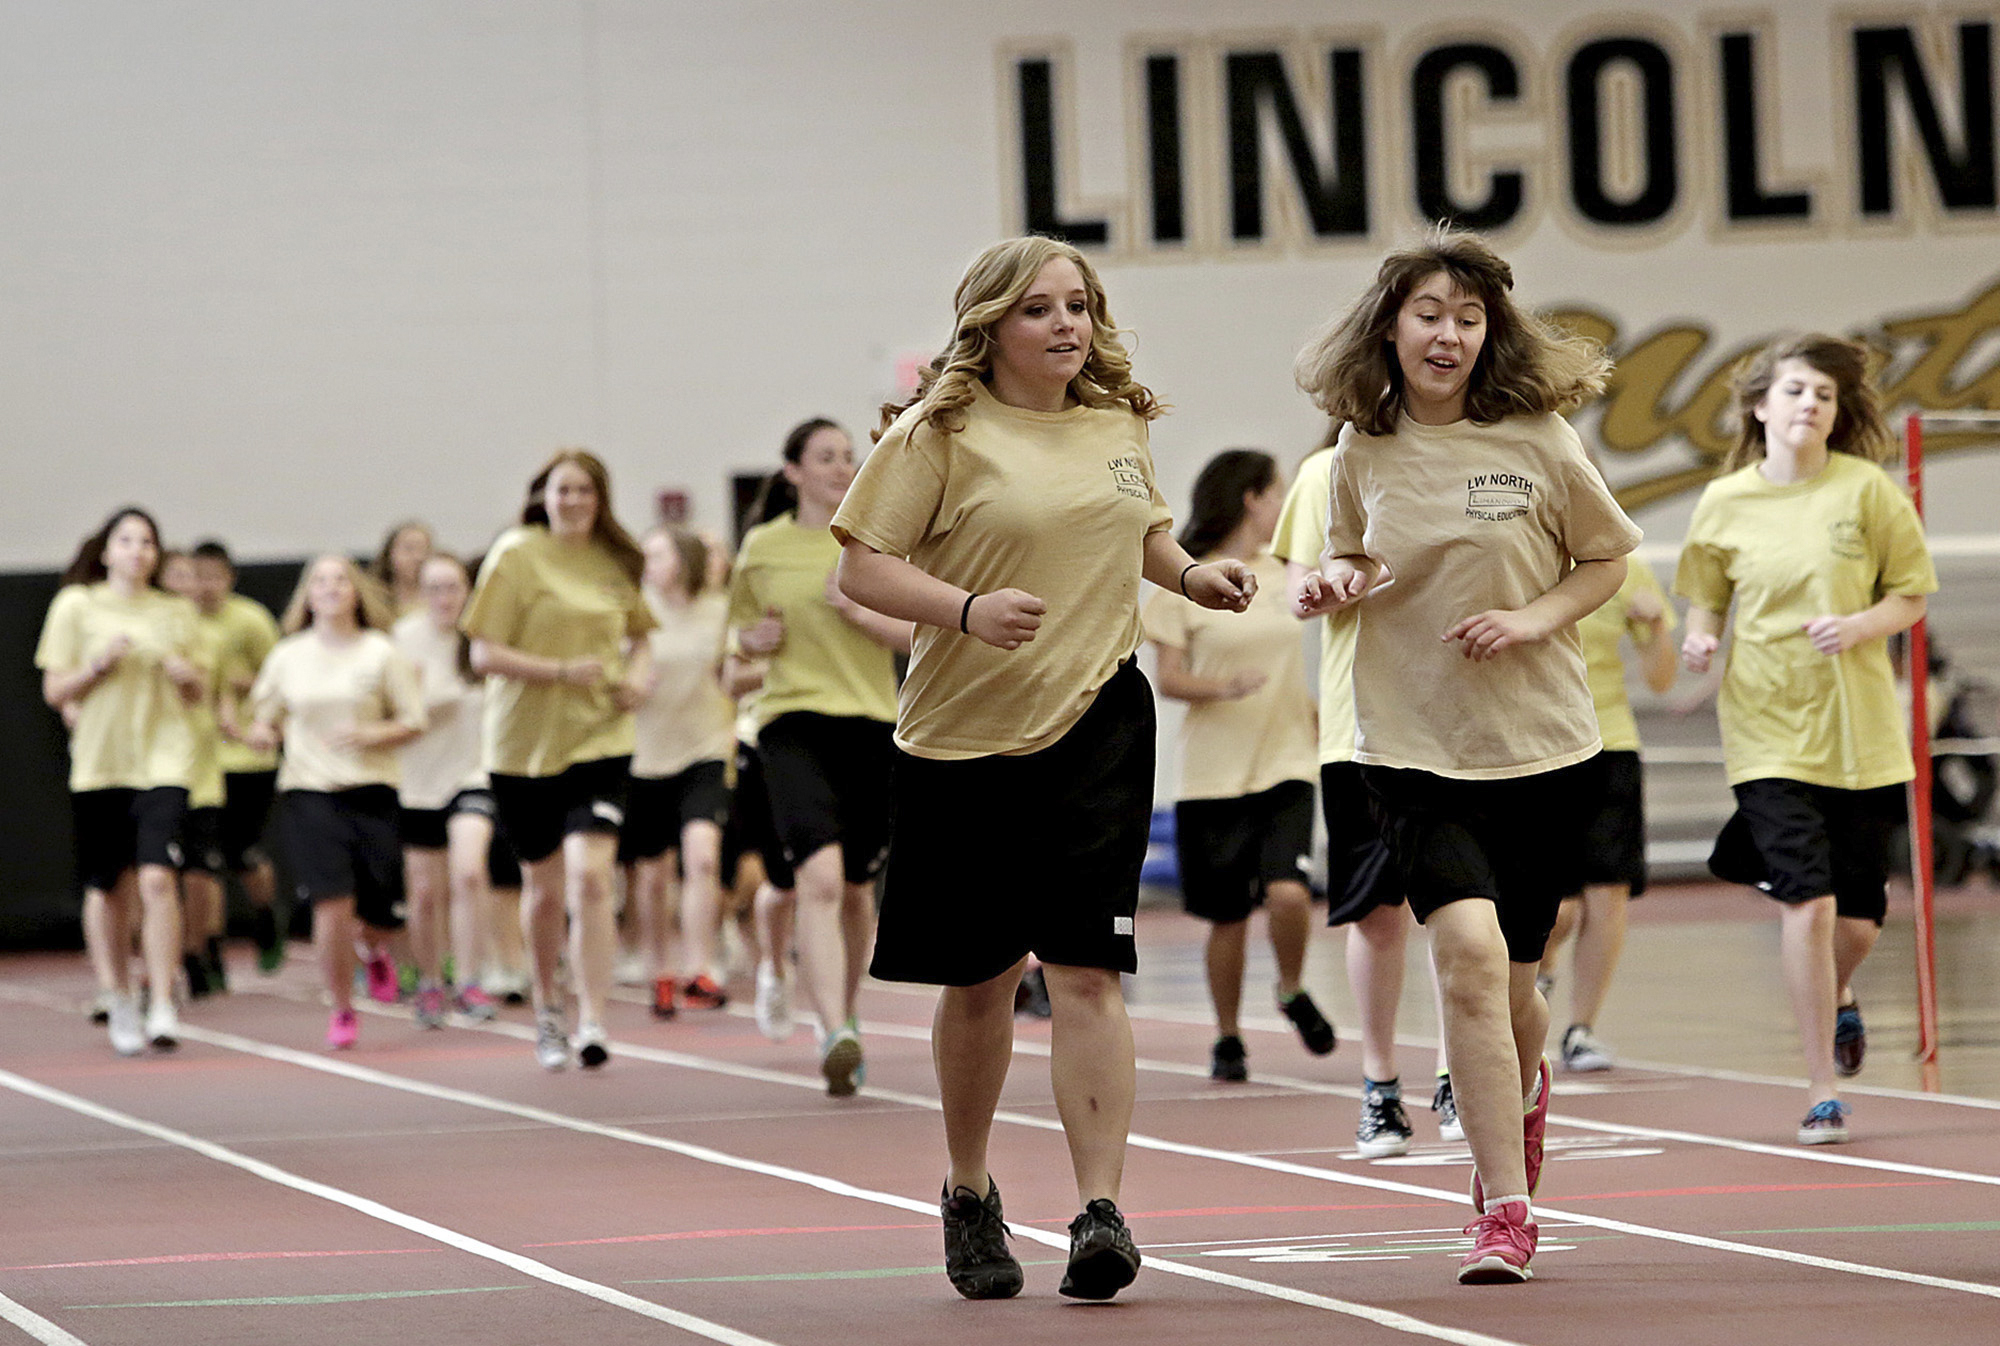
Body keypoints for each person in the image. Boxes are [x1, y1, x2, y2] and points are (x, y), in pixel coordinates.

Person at [834, 235, 1254, 1303]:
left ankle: (1098, 1209)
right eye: (1038, 310)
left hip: (1096, 715)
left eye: (1079, 305)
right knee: (978, 980)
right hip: (959, 737)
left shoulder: (1115, 422)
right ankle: (969, 1189)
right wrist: (966, 610)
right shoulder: (940, 431)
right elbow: (863, 565)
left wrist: (1193, 575)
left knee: (1084, 969)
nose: (1065, 325)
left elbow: (1140, 532)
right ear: (990, 325)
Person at [1294, 227, 1640, 1284]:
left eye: (1467, 316)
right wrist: (1329, 581)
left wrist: (1534, 618)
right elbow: (1350, 553)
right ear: (1389, 327)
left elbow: (1606, 556)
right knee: (1470, 957)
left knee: (1517, 980)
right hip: (1405, 745)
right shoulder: (1359, 448)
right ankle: (1502, 1205)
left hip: (1537, 746)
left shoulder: (1537, 439)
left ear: (1489, 333)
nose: (1446, 334)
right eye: (1427, 314)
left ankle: (1520, 1092)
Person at [1675, 333, 1935, 1145]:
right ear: (1760, 406)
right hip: (1766, 729)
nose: (1809, 405)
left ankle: (1841, 994)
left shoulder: (1869, 492)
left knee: (1857, 922)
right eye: (1793, 392)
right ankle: (1821, 1085)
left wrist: (1860, 623)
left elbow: (1913, 596)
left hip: (1860, 734)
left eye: (1823, 395)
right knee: (1809, 904)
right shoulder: (1726, 504)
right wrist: (1701, 640)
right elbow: (1705, 597)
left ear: (1837, 411)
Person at [1273, 429, 1459, 1157]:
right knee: (1377, 915)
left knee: (1460, 907)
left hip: (1459, 723)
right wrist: (1319, 588)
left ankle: (1456, 1072)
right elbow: (1296, 592)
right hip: (1360, 728)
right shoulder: (1325, 470)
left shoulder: (1469, 460)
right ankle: (1380, 1085)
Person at [726, 418, 910, 1094]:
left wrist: (858, 611)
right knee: (822, 879)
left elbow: (923, 636)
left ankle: (848, 1012)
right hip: (792, 722)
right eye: (824, 458)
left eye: (847, 457)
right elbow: (735, 650)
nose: (840, 467)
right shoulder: (763, 548)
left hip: (871, 722)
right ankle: (832, 1025)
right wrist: (755, 641)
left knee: (859, 890)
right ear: (793, 472)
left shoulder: (878, 542)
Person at [1143, 448, 1334, 1084]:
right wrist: (1221, 687)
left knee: (1287, 891)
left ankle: (1290, 987)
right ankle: (1227, 1036)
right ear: (1252, 498)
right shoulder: (1185, 579)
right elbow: (1167, 679)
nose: (1282, 504)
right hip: (1213, 772)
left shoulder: (1285, 572)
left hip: (1287, 760)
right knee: (1226, 918)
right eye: (1276, 492)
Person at [462, 450, 655, 1071]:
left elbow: (643, 637)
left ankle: (594, 1016)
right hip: (522, 749)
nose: (571, 500)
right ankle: (548, 1006)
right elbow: (483, 655)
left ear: (600, 500)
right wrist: (562, 672)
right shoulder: (516, 554)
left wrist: (640, 680)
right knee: (544, 891)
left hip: (600, 740)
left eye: (583, 491)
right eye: (561, 490)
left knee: (591, 876)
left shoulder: (613, 563)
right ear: (543, 496)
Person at [36, 507, 206, 1054]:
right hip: (101, 764)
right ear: (106, 551)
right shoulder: (76, 606)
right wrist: (97, 666)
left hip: (163, 760)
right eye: (126, 540)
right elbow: (55, 690)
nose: (138, 550)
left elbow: (201, 688)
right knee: (108, 887)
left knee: (158, 879)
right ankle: (118, 993)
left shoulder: (176, 611)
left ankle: (161, 999)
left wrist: (186, 675)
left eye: (148, 542)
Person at [243, 555, 426, 1048]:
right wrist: (262, 732)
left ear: (357, 591)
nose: (330, 588)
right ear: (307, 595)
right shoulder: (288, 655)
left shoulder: (381, 653)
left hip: (373, 789)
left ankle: (375, 947)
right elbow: (265, 715)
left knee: (380, 908)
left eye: (340, 579)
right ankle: (342, 1008)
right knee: (331, 902)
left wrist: (369, 733)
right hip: (309, 792)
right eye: (319, 581)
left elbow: (414, 720)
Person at [1540, 551, 1678, 1071]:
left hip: (1609, 743)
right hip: (1539, 744)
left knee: (1608, 891)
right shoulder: (1525, 557)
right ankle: (1541, 969)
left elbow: (1662, 679)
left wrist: (1657, 626)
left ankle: (1581, 1029)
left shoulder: (1625, 569)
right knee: (1559, 910)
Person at [622, 524, 736, 1018]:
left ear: (684, 560)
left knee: (703, 858)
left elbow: (734, 673)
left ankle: (700, 967)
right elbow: (613, 675)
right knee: (652, 877)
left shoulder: (719, 610)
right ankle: (659, 969)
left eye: (659, 554)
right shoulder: (635, 610)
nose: (649, 563)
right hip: (645, 755)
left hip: (705, 749)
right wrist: (628, 684)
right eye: (645, 555)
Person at [393, 552, 503, 1027]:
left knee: (469, 872)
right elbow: (387, 712)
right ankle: (431, 981)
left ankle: (472, 979)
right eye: (434, 588)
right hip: (416, 782)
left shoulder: (483, 635)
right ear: (421, 593)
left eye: (453, 587)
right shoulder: (400, 642)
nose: (445, 598)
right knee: (423, 893)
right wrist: (420, 705)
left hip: (472, 774)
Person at [190, 540, 287, 973]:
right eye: (198, 576)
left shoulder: (250, 620)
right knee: (204, 861)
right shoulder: (181, 622)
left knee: (242, 852)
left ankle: (267, 917)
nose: (206, 586)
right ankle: (209, 950)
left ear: (229, 578)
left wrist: (241, 686)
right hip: (197, 759)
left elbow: (280, 678)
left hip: (248, 757)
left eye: (215, 576)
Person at [159, 548, 230, 999]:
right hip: (155, 768)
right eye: (178, 575)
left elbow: (215, 694)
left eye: (193, 575)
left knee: (201, 875)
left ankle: (196, 949)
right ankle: (154, 966)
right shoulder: (145, 629)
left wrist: (240, 726)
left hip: (202, 769)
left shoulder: (209, 636)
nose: (188, 583)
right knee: (155, 876)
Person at [371, 521, 435, 619]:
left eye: (425, 549)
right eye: (409, 549)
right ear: (389, 555)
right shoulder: (374, 599)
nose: (418, 557)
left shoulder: (440, 598)